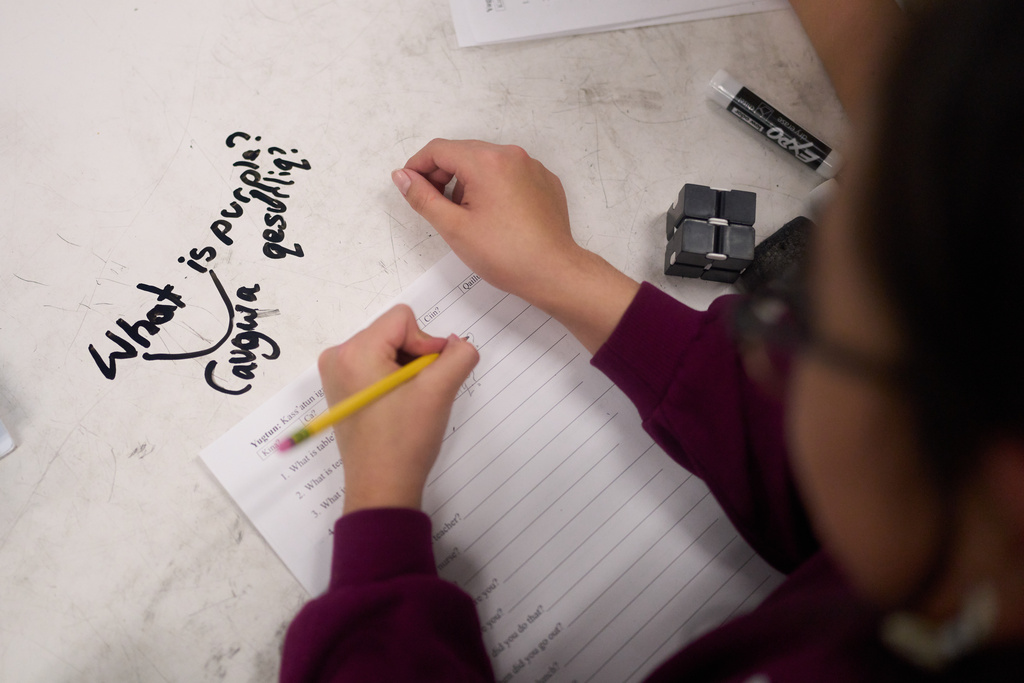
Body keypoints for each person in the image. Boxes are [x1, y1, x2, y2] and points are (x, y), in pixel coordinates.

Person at [280, 0, 1024, 680]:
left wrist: (377, 513)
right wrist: (566, 274)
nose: (767, 357)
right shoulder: (968, 558)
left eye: (803, 322)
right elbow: (821, 489)